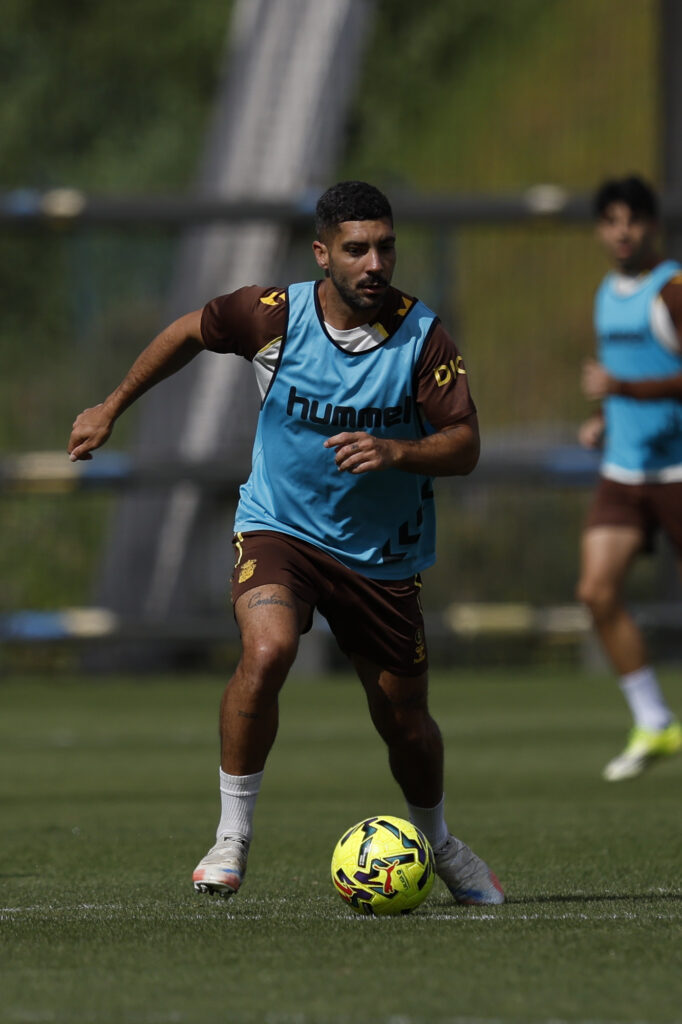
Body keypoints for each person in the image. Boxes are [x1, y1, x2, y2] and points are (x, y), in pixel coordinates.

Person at [68, 180, 504, 905]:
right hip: (281, 527)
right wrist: (111, 406)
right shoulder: (272, 315)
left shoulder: (422, 337)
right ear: (322, 253)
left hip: (380, 556)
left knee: (406, 726)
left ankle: (442, 843)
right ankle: (231, 836)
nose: (375, 264)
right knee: (268, 651)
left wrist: (398, 453)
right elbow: (184, 332)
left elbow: (466, 446)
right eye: (357, 249)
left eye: (386, 247)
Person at [577, 174, 682, 781]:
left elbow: (633, 379)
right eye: (611, 220)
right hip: (624, 471)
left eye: (633, 219)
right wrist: (601, 417)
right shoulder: (606, 292)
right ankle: (655, 721)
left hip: (676, 473)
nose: (622, 231)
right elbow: (620, 375)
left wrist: (622, 391)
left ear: (653, 225)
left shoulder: (671, 292)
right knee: (596, 592)